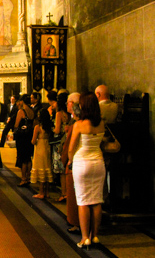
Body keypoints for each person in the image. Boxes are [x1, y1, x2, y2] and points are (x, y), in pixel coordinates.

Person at [68, 92, 106, 249]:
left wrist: (70, 160)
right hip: (98, 163)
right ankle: (95, 235)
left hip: (82, 163)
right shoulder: (101, 123)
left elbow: (71, 149)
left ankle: (85, 238)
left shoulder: (79, 124)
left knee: (83, 201)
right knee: (96, 200)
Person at [61, 92, 81, 235]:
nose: (67, 104)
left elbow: (70, 146)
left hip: (76, 163)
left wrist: (67, 160)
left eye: (68, 102)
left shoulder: (78, 124)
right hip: (90, 162)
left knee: (76, 196)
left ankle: (76, 222)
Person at [30, 108, 54, 199]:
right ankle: (47, 192)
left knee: (40, 169)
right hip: (47, 148)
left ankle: (41, 192)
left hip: (39, 149)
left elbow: (33, 141)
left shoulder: (38, 127)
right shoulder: (49, 127)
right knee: (47, 168)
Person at [52, 92, 70, 202]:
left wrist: (52, 129)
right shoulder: (69, 113)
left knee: (62, 170)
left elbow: (57, 130)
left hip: (60, 142)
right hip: (68, 140)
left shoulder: (59, 114)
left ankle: (64, 193)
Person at [14, 94, 35, 187]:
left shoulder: (21, 111)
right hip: (30, 136)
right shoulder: (32, 111)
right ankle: (29, 177)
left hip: (22, 137)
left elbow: (16, 125)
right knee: (28, 158)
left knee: (22, 158)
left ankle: (23, 179)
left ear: (22, 101)